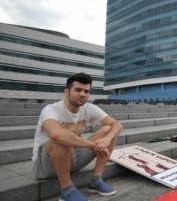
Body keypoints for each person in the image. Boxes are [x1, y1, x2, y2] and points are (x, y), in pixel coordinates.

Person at [32, 73, 123, 201]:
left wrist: (107, 139)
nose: (83, 94)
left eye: (86, 91)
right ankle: (66, 190)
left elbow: (117, 124)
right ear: (66, 91)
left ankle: (96, 181)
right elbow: (56, 134)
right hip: (45, 165)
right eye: (78, 90)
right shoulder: (51, 110)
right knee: (61, 138)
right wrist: (94, 145)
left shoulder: (88, 108)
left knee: (109, 129)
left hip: (72, 159)